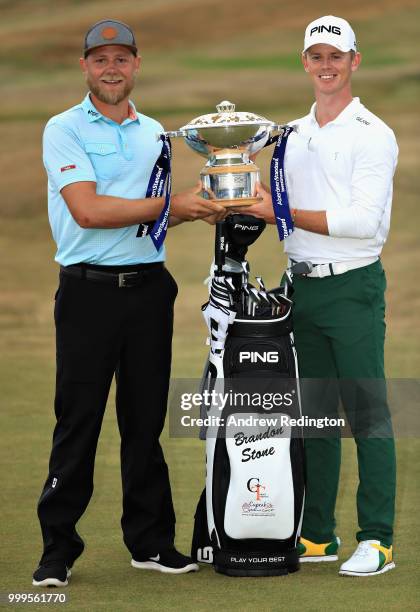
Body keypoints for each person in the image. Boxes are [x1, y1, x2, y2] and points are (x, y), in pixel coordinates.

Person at [32, 19, 225, 587]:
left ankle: (151, 542)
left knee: (143, 421)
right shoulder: (62, 128)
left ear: (136, 64)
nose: (111, 68)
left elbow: (163, 213)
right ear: (85, 66)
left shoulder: (155, 132)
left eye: (121, 58)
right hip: (88, 292)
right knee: (79, 421)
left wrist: (213, 202)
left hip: (148, 290)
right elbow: (88, 211)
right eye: (100, 59)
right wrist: (177, 206)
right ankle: (57, 551)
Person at [237, 15, 398, 577]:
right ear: (303, 63)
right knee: (316, 417)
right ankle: (318, 535)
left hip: (352, 285)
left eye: (336, 56)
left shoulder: (372, 133)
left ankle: (377, 538)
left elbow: (360, 221)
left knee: (368, 414)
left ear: (355, 61)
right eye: (316, 56)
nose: (326, 66)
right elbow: (273, 204)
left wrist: (275, 211)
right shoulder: (291, 135)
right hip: (301, 287)